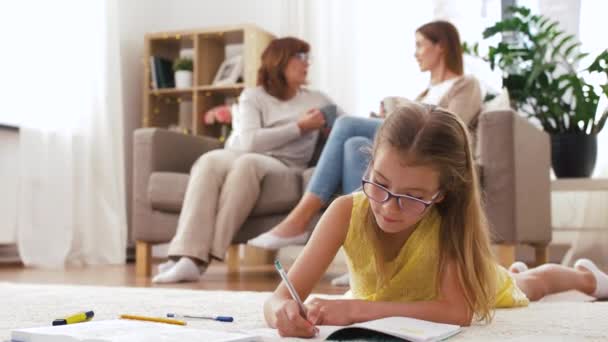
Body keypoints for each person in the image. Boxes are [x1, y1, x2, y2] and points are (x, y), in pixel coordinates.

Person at [263, 103, 608, 338]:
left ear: (440, 194)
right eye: (379, 184)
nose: (389, 207)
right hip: (407, 292)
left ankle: (584, 277)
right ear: (369, 165)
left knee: (532, 286)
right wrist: (282, 312)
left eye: (411, 197)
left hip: (475, 284)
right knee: (517, 277)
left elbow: (457, 311)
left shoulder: (447, 224)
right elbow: (278, 298)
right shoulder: (344, 213)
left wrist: (354, 310)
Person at [248, 20, 482, 251]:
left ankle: (297, 221)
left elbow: (448, 130)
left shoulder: (465, 84)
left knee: (346, 123)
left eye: (420, 45)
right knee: (354, 144)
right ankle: (363, 251)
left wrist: (399, 114)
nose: (415, 53)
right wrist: (390, 117)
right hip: (410, 146)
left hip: (431, 148)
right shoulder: (425, 92)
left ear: (440, 45)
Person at [153, 37, 340, 283]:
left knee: (246, 165)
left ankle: (200, 260)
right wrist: (299, 127)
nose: (307, 64)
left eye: (308, 58)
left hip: (283, 162)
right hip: (243, 151)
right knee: (208, 161)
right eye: (300, 57)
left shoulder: (317, 99)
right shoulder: (253, 96)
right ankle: (185, 256)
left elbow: (344, 126)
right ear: (280, 60)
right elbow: (250, 142)